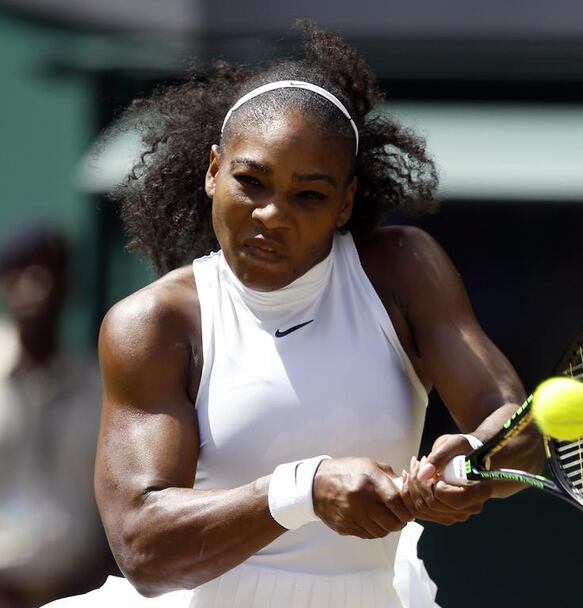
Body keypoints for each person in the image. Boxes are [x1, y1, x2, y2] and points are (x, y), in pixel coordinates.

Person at [46, 22, 543, 608]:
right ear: (212, 173)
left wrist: (477, 461)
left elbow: (517, 427)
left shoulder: (404, 271)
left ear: (346, 202)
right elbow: (143, 547)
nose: (272, 215)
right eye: (250, 182)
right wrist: (303, 489)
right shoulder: (154, 323)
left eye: (308, 195)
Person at [0, 226, 111, 608]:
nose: (33, 285)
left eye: (46, 271)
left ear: (67, 286)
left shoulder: (98, 389)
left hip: (74, 592)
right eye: (19, 270)